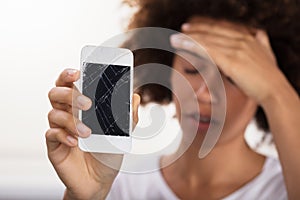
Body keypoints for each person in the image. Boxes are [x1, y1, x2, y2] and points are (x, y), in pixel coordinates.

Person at [46, 0, 300, 199]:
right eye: (192, 70)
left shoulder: (285, 187)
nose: (203, 94)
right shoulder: (121, 187)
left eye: (233, 78)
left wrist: (277, 91)